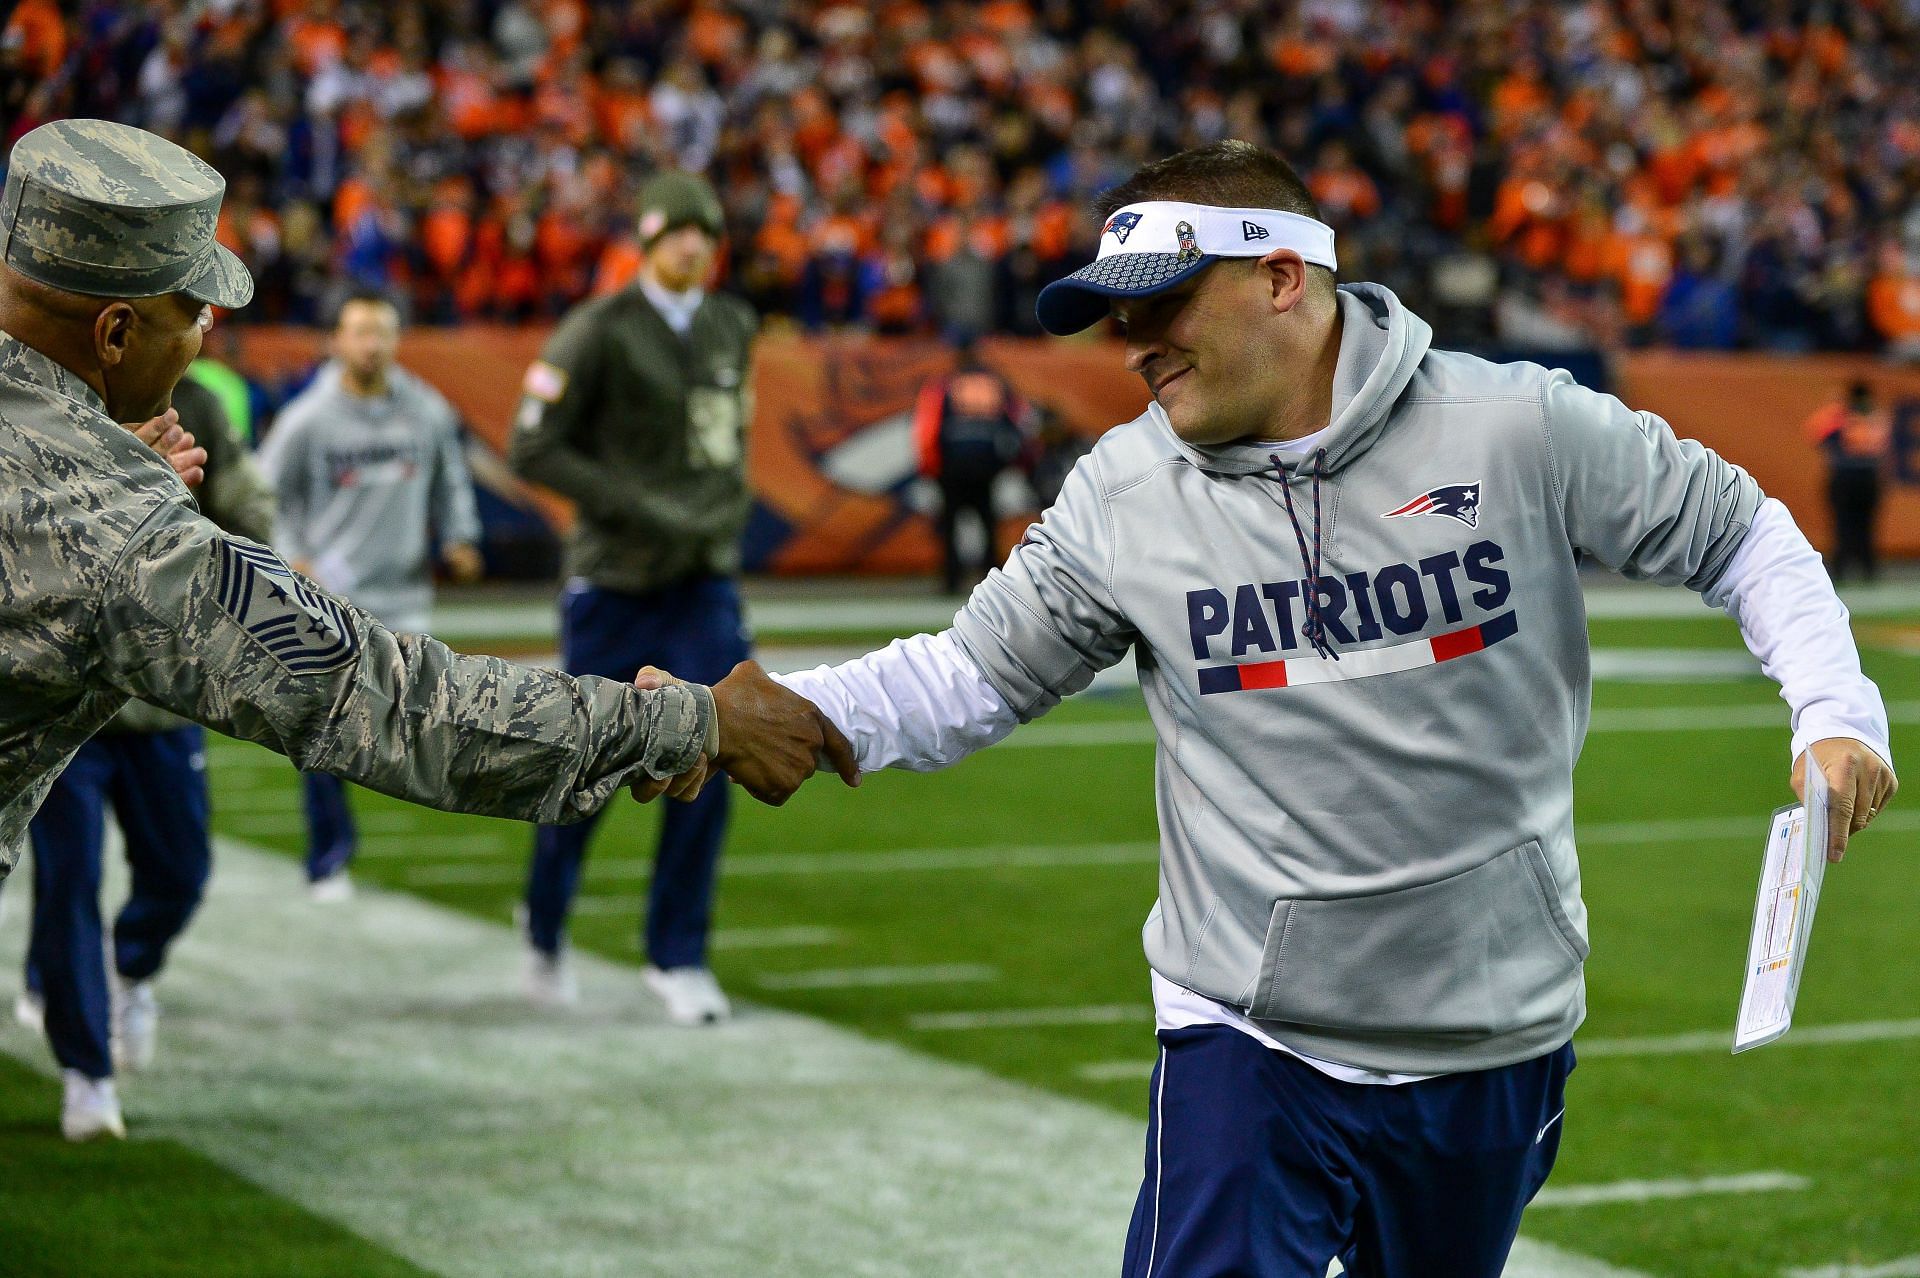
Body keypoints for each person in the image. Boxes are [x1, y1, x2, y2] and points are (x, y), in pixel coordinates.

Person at [710, 142, 1897, 1278]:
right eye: (1117, 316)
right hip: (1249, 1034)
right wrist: (777, 715)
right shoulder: (1124, 494)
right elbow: (970, 674)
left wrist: (1833, 708)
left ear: (1284, 277)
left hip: (1494, 1030)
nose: (1134, 345)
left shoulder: (1515, 425)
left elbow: (1740, 531)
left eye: (1162, 303)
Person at [0, 120, 851, 1129]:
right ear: (113, 334)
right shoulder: (112, 536)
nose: (207, 337)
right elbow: (389, 699)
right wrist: (695, 723)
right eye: (193, 312)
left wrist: (99, 453)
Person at [506, 170, 760, 1022]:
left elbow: (732, 440)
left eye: (704, 231)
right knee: (584, 766)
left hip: (700, 582)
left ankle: (678, 954)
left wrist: (718, 516)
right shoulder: (600, 328)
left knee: (707, 757)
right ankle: (544, 926)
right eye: (677, 232)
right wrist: (635, 505)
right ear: (649, 242)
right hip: (613, 580)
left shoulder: (731, 323)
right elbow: (532, 444)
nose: (693, 245)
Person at [15, 375, 274, 1140]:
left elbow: (242, 502)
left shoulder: (193, 402)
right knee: (69, 884)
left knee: (181, 871)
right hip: (64, 704)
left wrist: (251, 554)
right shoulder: (32, 395)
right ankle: (87, 1073)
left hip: (163, 701)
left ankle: (127, 969)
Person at [257, 290, 486, 900]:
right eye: (359, 331)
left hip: (407, 592)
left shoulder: (427, 411)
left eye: (382, 331)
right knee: (326, 726)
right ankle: (329, 857)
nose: (372, 344)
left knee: (417, 718)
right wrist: (290, 556)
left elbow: (452, 478)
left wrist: (461, 537)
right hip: (335, 596)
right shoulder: (308, 419)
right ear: (336, 339)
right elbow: (261, 493)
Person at [912, 342, 1034, 594]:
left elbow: (928, 427)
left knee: (951, 526)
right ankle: (993, 583)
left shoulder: (945, 385)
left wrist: (930, 466)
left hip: (953, 468)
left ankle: (951, 581)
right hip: (986, 468)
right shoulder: (995, 385)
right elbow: (1019, 422)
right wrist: (1014, 462)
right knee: (988, 524)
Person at [1802, 379, 1891, 584]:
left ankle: (1846, 568)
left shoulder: (1842, 415)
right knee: (1862, 524)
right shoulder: (1876, 416)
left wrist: (1837, 409)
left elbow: (1816, 433)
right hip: (1867, 475)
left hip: (1846, 475)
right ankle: (1865, 569)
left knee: (1846, 523)